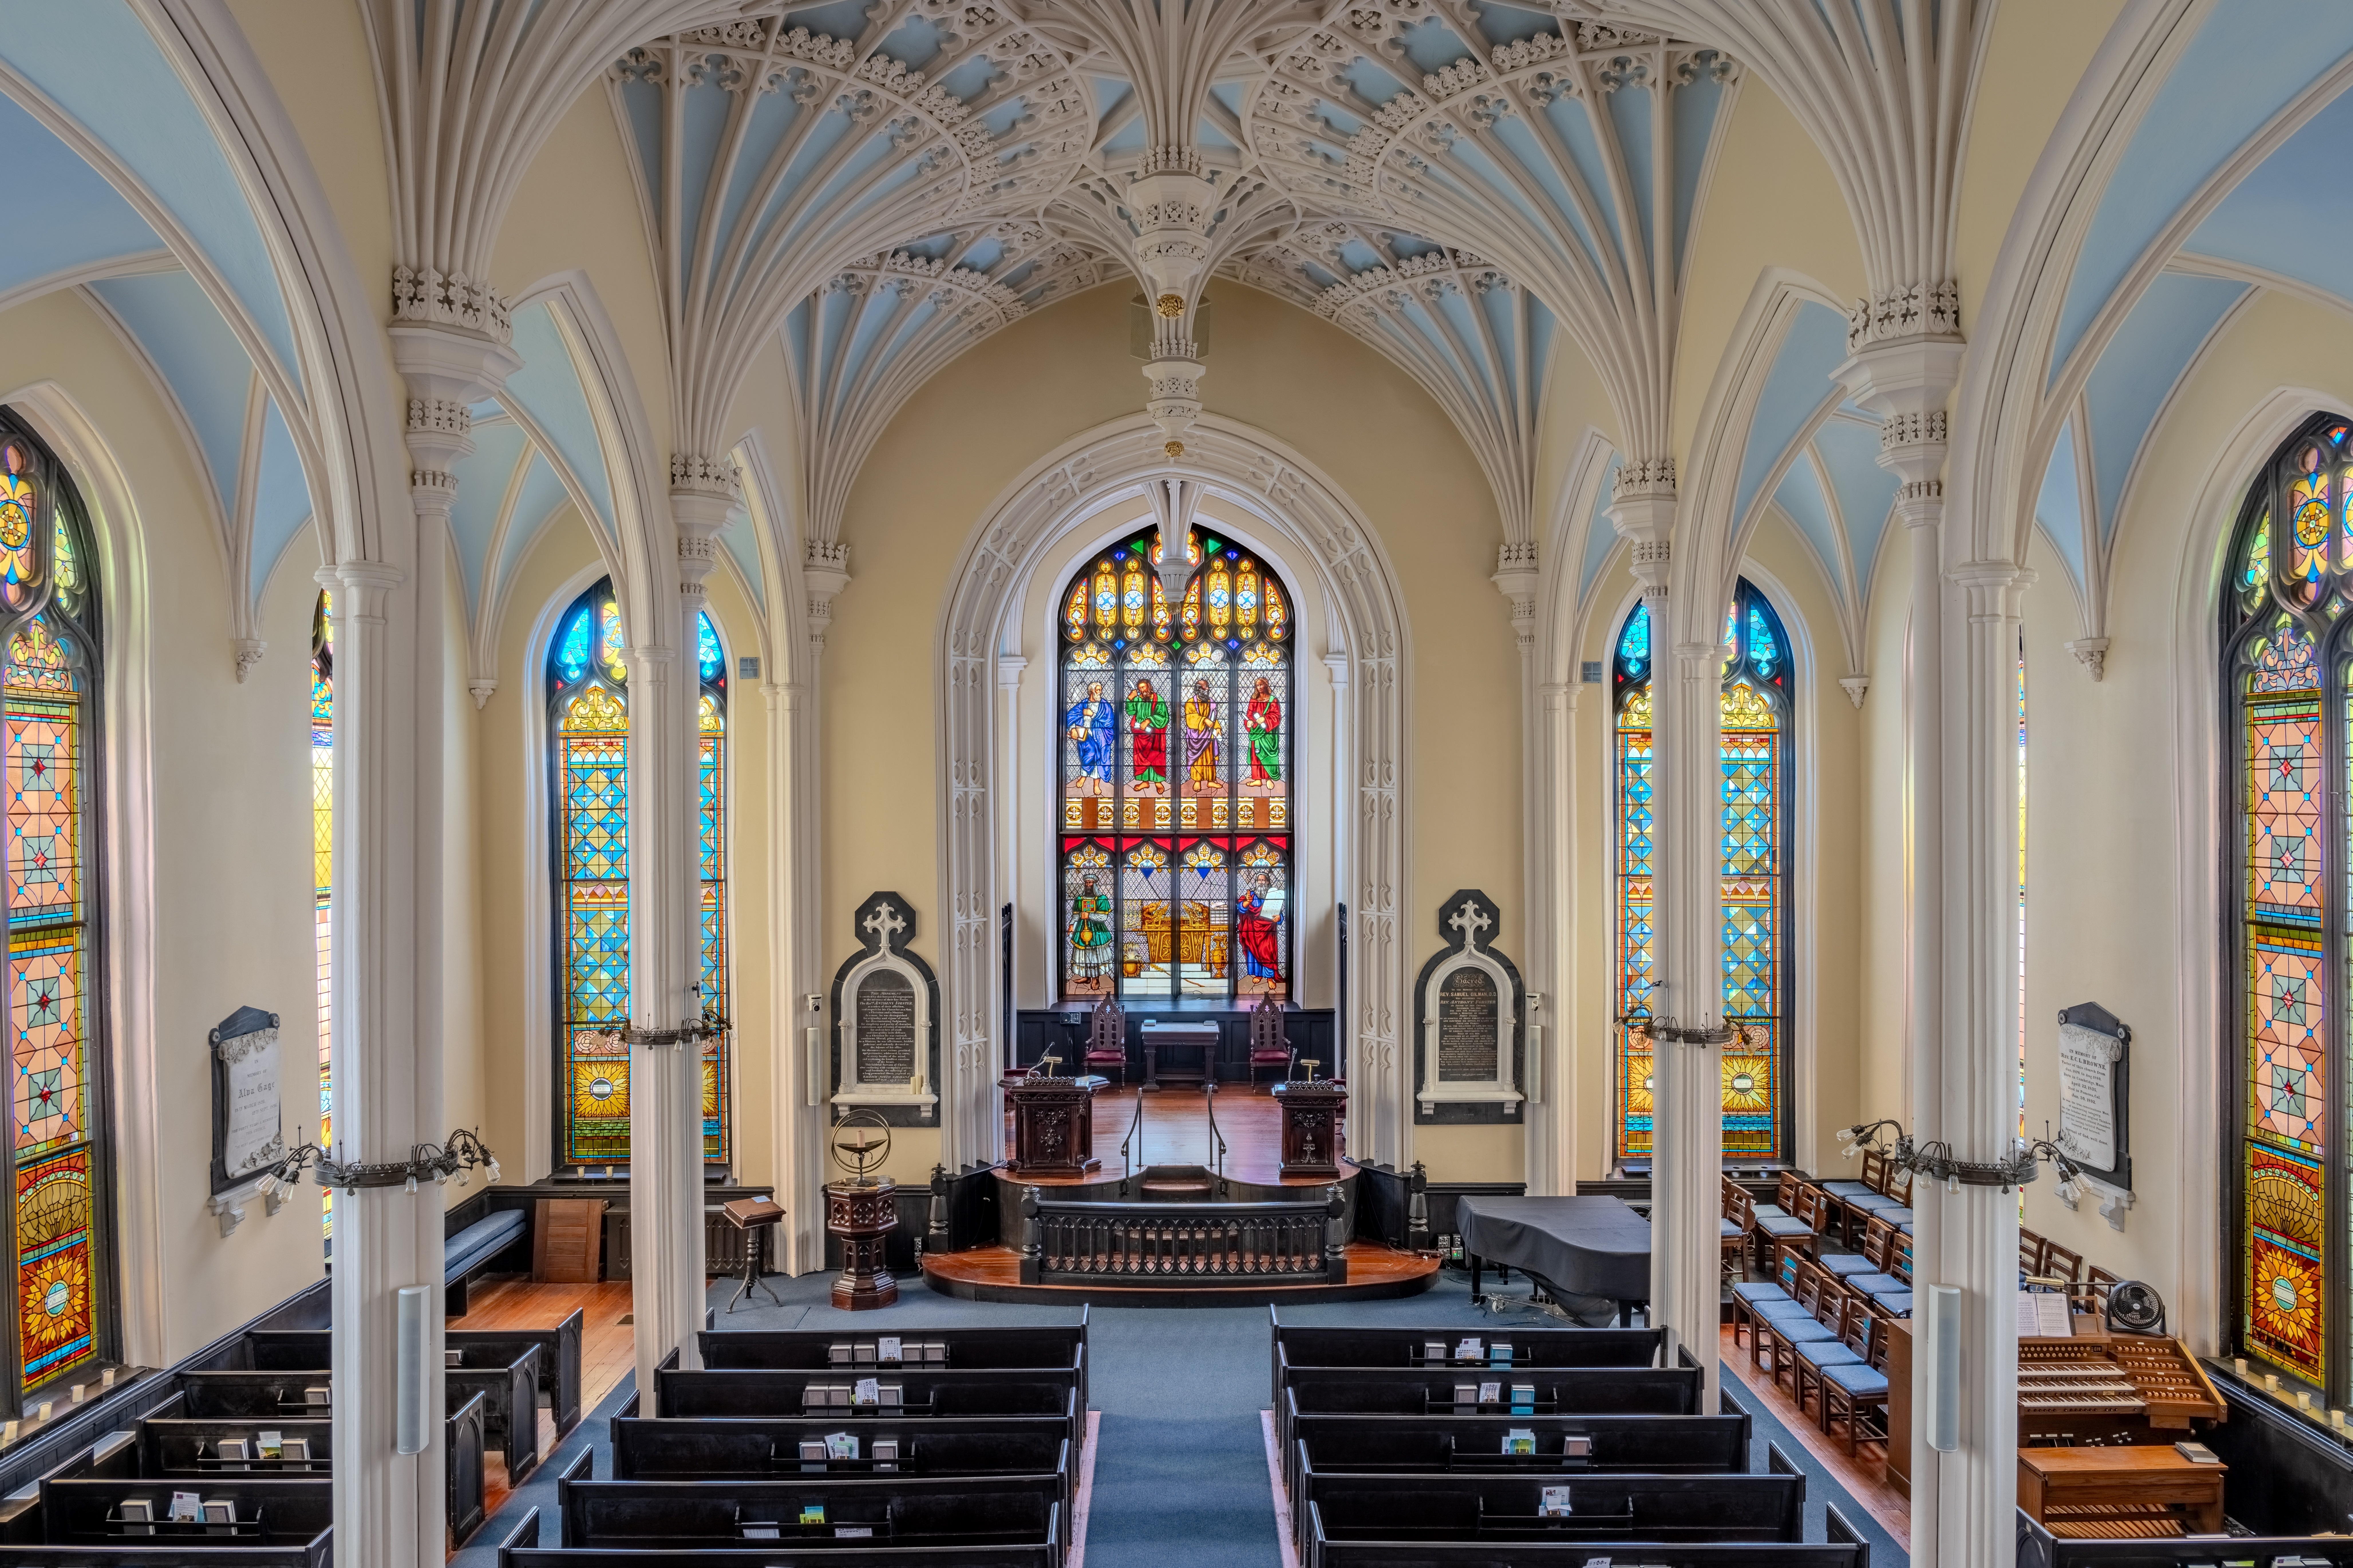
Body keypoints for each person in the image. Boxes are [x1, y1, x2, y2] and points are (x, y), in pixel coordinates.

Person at [1064, 680, 1115, 794]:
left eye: (1101, 690)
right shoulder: (1084, 704)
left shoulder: (1105, 705)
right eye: (1098, 690)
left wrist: (1094, 715)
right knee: (1088, 754)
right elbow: (1071, 716)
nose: (1100, 692)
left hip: (1101, 736)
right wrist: (1072, 729)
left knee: (1099, 759)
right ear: (1092, 691)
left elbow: (1110, 721)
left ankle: (1096, 784)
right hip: (1085, 734)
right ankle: (1084, 776)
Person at [1235, 871, 1283, 990]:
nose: (1261, 883)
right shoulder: (1250, 895)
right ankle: (1258, 975)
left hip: (1268, 931)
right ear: (1256, 882)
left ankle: (1270, 978)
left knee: (1268, 952)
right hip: (1252, 930)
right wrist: (1247, 903)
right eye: (1259, 881)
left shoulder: (1274, 896)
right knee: (1254, 953)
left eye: (1263, 880)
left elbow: (1280, 912)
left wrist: (1280, 917)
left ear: (1268, 882)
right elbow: (1240, 909)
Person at [1068, 873, 1112, 990]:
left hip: (1098, 931)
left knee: (1096, 954)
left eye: (1091, 883)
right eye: (1087, 883)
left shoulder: (1102, 899)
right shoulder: (1080, 899)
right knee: (1084, 954)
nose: (1088, 885)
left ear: (1095, 884)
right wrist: (1072, 925)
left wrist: (1090, 915)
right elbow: (1077, 914)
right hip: (1082, 930)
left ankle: (1096, 978)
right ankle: (1088, 977)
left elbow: (1104, 918)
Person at [1125, 678, 1169, 791]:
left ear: (1149, 687)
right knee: (1141, 757)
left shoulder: (1157, 699)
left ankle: (1158, 781)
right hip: (1141, 736)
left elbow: (1164, 717)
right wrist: (1130, 700)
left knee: (1156, 756)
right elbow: (1131, 712)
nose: (1142, 690)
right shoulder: (1137, 699)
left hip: (1155, 736)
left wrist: (1149, 720)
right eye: (1140, 688)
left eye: (1144, 687)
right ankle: (1145, 782)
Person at [1244, 674, 1283, 789]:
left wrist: (1265, 718)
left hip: (1268, 733)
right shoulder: (1253, 700)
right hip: (1256, 732)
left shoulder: (1273, 700)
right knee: (1256, 755)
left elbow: (1277, 716)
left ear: (1266, 685)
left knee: (1267, 755)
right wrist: (1249, 723)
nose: (1260, 687)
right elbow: (1250, 715)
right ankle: (1257, 779)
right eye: (1257, 685)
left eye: (1261, 685)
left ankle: (1268, 779)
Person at [1184, 677, 1222, 789]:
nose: (1208, 689)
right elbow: (1190, 719)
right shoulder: (1191, 703)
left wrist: (1218, 728)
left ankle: (1211, 780)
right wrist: (1204, 720)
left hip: (1209, 735)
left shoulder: (1212, 703)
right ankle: (1198, 781)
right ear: (1199, 689)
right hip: (1196, 736)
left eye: (1208, 686)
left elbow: (1214, 719)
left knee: (1210, 758)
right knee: (1199, 759)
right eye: (1206, 687)